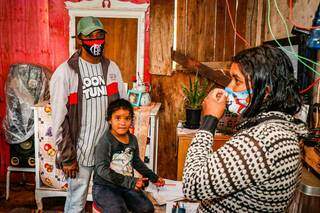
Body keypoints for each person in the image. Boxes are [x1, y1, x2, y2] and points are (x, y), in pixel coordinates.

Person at [182, 45, 309, 212]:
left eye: (237, 80)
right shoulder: (278, 129)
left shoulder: (264, 140)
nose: (229, 88)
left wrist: (209, 121)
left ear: (265, 91)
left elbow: (192, 184)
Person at [50, 16, 127, 212]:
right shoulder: (65, 73)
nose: (96, 41)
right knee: (76, 202)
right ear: (80, 40)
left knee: (108, 202)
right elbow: (59, 120)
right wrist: (67, 156)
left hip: (107, 153)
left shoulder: (112, 69)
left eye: (100, 36)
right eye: (91, 36)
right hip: (80, 152)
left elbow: (122, 109)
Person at [93, 99, 165, 213]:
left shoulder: (132, 139)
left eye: (127, 118)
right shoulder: (105, 142)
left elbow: (136, 162)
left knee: (147, 209)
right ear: (109, 120)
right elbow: (102, 170)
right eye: (117, 118)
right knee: (118, 210)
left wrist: (153, 177)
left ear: (131, 120)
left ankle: (123, 200)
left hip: (125, 185)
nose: (122, 123)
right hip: (105, 187)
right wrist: (131, 182)